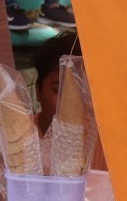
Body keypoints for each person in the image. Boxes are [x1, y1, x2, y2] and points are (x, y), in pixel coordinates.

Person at [33, 31, 107, 170]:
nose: (73, 105)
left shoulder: (106, 146)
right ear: (38, 90)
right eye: (58, 90)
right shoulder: (15, 140)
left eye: (83, 93)